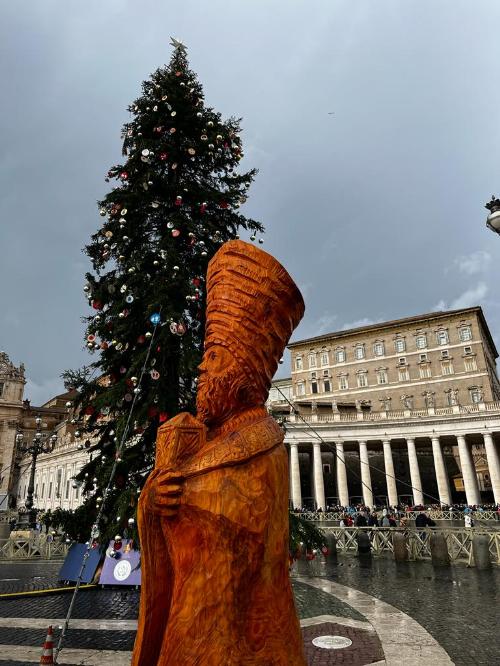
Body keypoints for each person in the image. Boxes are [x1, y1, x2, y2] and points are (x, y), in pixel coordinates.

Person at [133, 240, 306, 666]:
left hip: (240, 636)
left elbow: (244, 529)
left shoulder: (265, 447)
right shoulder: (198, 440)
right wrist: (152, 501)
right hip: (188, 623)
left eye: (213, 358)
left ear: (244, 373)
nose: (201, 370)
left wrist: (185, 496)